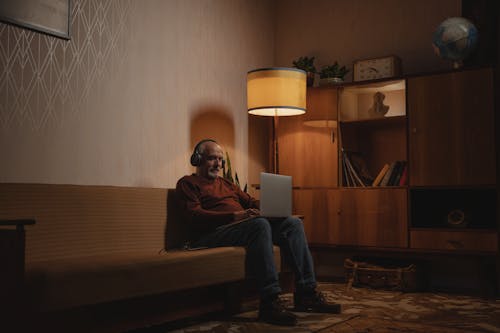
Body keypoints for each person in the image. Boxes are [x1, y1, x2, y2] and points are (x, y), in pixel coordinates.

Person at [175, 139, 341, 326]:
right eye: (212, 158)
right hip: (212, 234)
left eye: (220, 159)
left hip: (241, 228)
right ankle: (269, 303)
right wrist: (234, 217)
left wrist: (271, 206)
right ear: (197, 159)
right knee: (259, 224)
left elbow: (250, 202)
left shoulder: (227, 184)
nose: (218, 164)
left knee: (293, 224)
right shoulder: (187, 183)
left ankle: (307, 294)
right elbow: (194, 216)